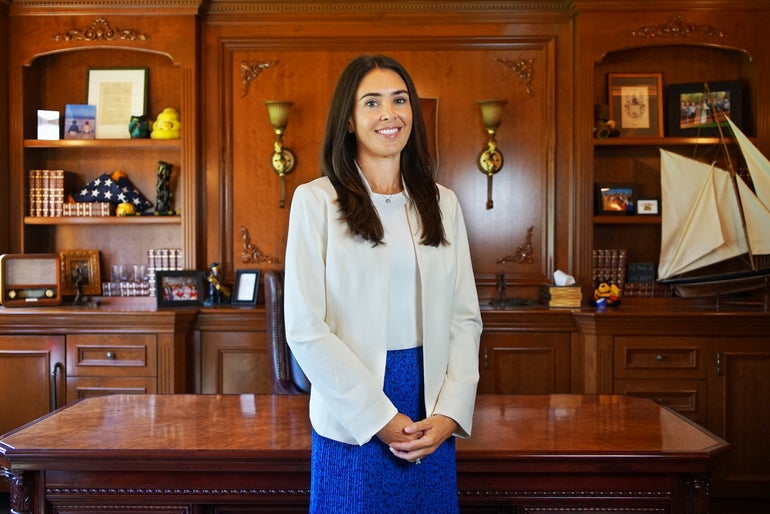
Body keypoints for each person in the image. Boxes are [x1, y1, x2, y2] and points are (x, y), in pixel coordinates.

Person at [284, 54, 482, 513]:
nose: (389, 114)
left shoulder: (443, 203)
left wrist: (450, 413)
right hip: (352, 405)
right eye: (371, 102)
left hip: (430, 402)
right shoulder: (316, 201)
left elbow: (464, 317)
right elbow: (305, 327)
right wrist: (378, 417)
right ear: (349, 120)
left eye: (400, 100)